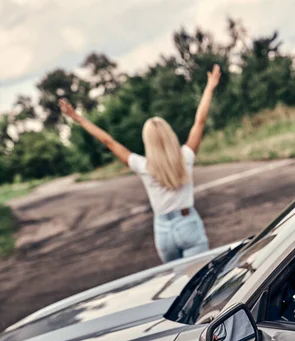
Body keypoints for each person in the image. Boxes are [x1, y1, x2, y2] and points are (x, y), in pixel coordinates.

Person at [59, 64, 222, 263]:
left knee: (180, 286)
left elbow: (108, 141)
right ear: (170, 136)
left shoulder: (143, 167)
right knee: (203, 281)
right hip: (188, 223)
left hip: (163, 230)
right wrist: (209, 87)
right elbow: (200, 121)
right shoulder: (185, 157)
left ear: (148, 142)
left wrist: (78, 118)